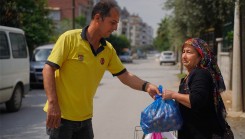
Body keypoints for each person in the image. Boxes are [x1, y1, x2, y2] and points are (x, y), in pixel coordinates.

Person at [42, 1, 159, 139]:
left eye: (117, 23)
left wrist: (147, 86)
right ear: (98, 18)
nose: (115, 28)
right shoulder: (69, 39)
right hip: (61, 117)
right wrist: (53, 104)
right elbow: (48, 69)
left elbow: (125, 75)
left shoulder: (107, 49)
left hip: (85, 119)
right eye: (112, 22)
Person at [162, 38, 234, 139]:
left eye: (189, 52)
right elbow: (186, 102)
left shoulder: (201, 74)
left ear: (200, 56)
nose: (184, 56)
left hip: (206, 134)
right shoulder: (189, 76)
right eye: (183, 52)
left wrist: (173, 95)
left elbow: (195, 101)